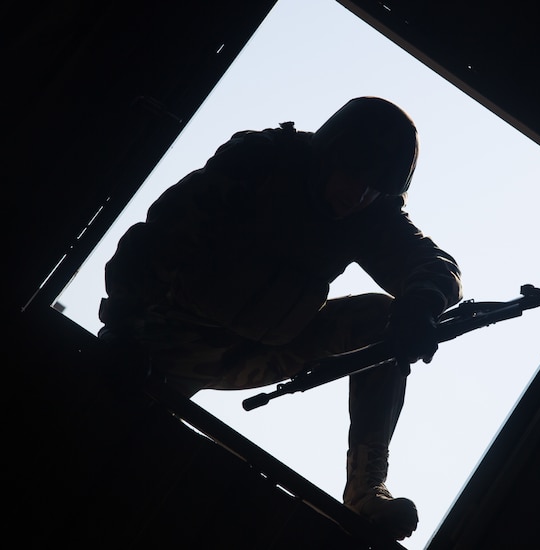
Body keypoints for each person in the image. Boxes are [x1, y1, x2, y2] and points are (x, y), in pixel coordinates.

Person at [97, 96, 463, 540]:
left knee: (382, 317)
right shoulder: (263, 163)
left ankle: (367, 490)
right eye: (354, 175)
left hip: (265, 350)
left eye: (375, 187)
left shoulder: (370, 214)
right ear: (329, 155)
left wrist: (422, 304)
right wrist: (121, 330)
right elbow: (152, 242)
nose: (359, 194)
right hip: (168, 344)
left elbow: (431, 262)